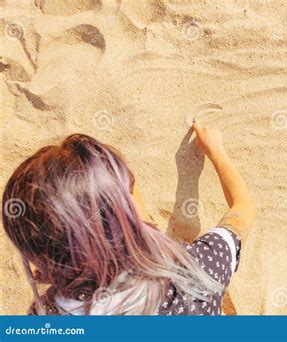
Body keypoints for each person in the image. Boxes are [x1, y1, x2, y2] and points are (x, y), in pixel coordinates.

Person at [1, 122, 256, 315]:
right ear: (127, 211)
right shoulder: (195, 271)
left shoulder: (43, 317)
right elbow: (243, 210)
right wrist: (217, 153)